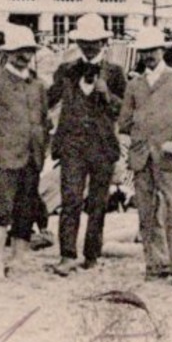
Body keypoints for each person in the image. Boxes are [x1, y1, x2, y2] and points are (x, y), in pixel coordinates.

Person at [119, 26, 172, 283]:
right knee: (146, 211)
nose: (148, 56)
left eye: (152, 50)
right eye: (144, 52)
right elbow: (124, 121)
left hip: (169, 155)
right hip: (142, 155)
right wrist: (130, 138)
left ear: (162, 50)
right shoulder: (134, 84)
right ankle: (155, 264)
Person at [48, 14, 128, 275]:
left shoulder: (115, 73)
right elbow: (48, 101)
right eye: (85, 41)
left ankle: (92, 254)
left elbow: (125, 112)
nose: (90, 46)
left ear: (104, 42)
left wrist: (107, 95)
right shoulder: (66, 70)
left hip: (102, 147)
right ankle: (67, 255)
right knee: (70, 200)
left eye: (95, 42)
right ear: (78, 42)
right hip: (72, 146)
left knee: (98, 203)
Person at [0, 25, 49, 278]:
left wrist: (42, 146)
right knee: (0, 211)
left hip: (32, 156)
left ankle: (18, 260)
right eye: (19, 51)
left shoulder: (38, 85)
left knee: (26, 210)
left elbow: (42, 119)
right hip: (3, 156)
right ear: (8, 53)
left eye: (28, 51)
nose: (24, 56)